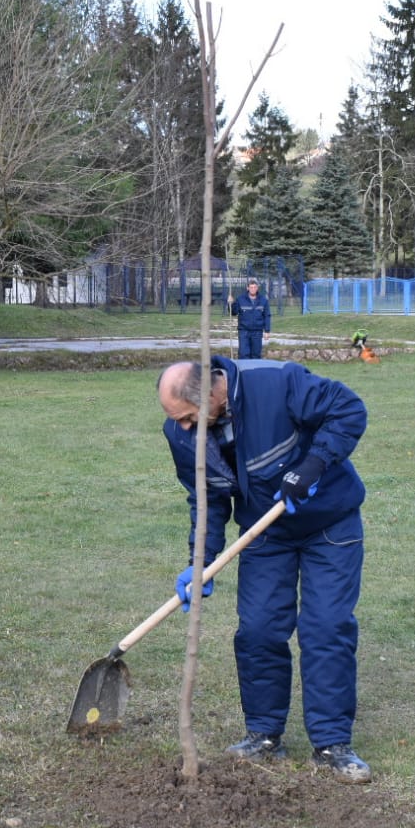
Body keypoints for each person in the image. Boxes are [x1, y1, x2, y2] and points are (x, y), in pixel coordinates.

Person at [156, 356, 372, 784]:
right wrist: (201, 563)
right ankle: (264, 735)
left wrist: (310, 468)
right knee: (257, 630)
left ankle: (331, 744)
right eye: (176, 420)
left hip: (329, 524)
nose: (181, 427)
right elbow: (207, 499)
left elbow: (349, 409)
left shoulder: (278, 384)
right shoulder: (182, 436)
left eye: (186, 417)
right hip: (264, 533)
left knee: (325, 628)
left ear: (213, 394)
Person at [229, 277, 272, 359]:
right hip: (244, 331)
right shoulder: (240, 299)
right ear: (247, 288)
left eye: (255, 287)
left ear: (257, 288)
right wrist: (231, 304)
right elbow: (233, 312)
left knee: (256, 355)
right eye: (251, 287)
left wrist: (267, 331)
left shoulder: (263, 300)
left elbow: (267, 315)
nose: (253, 289)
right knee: (243, 354)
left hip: (257, 332)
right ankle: (244, 371)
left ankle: (254, 371)